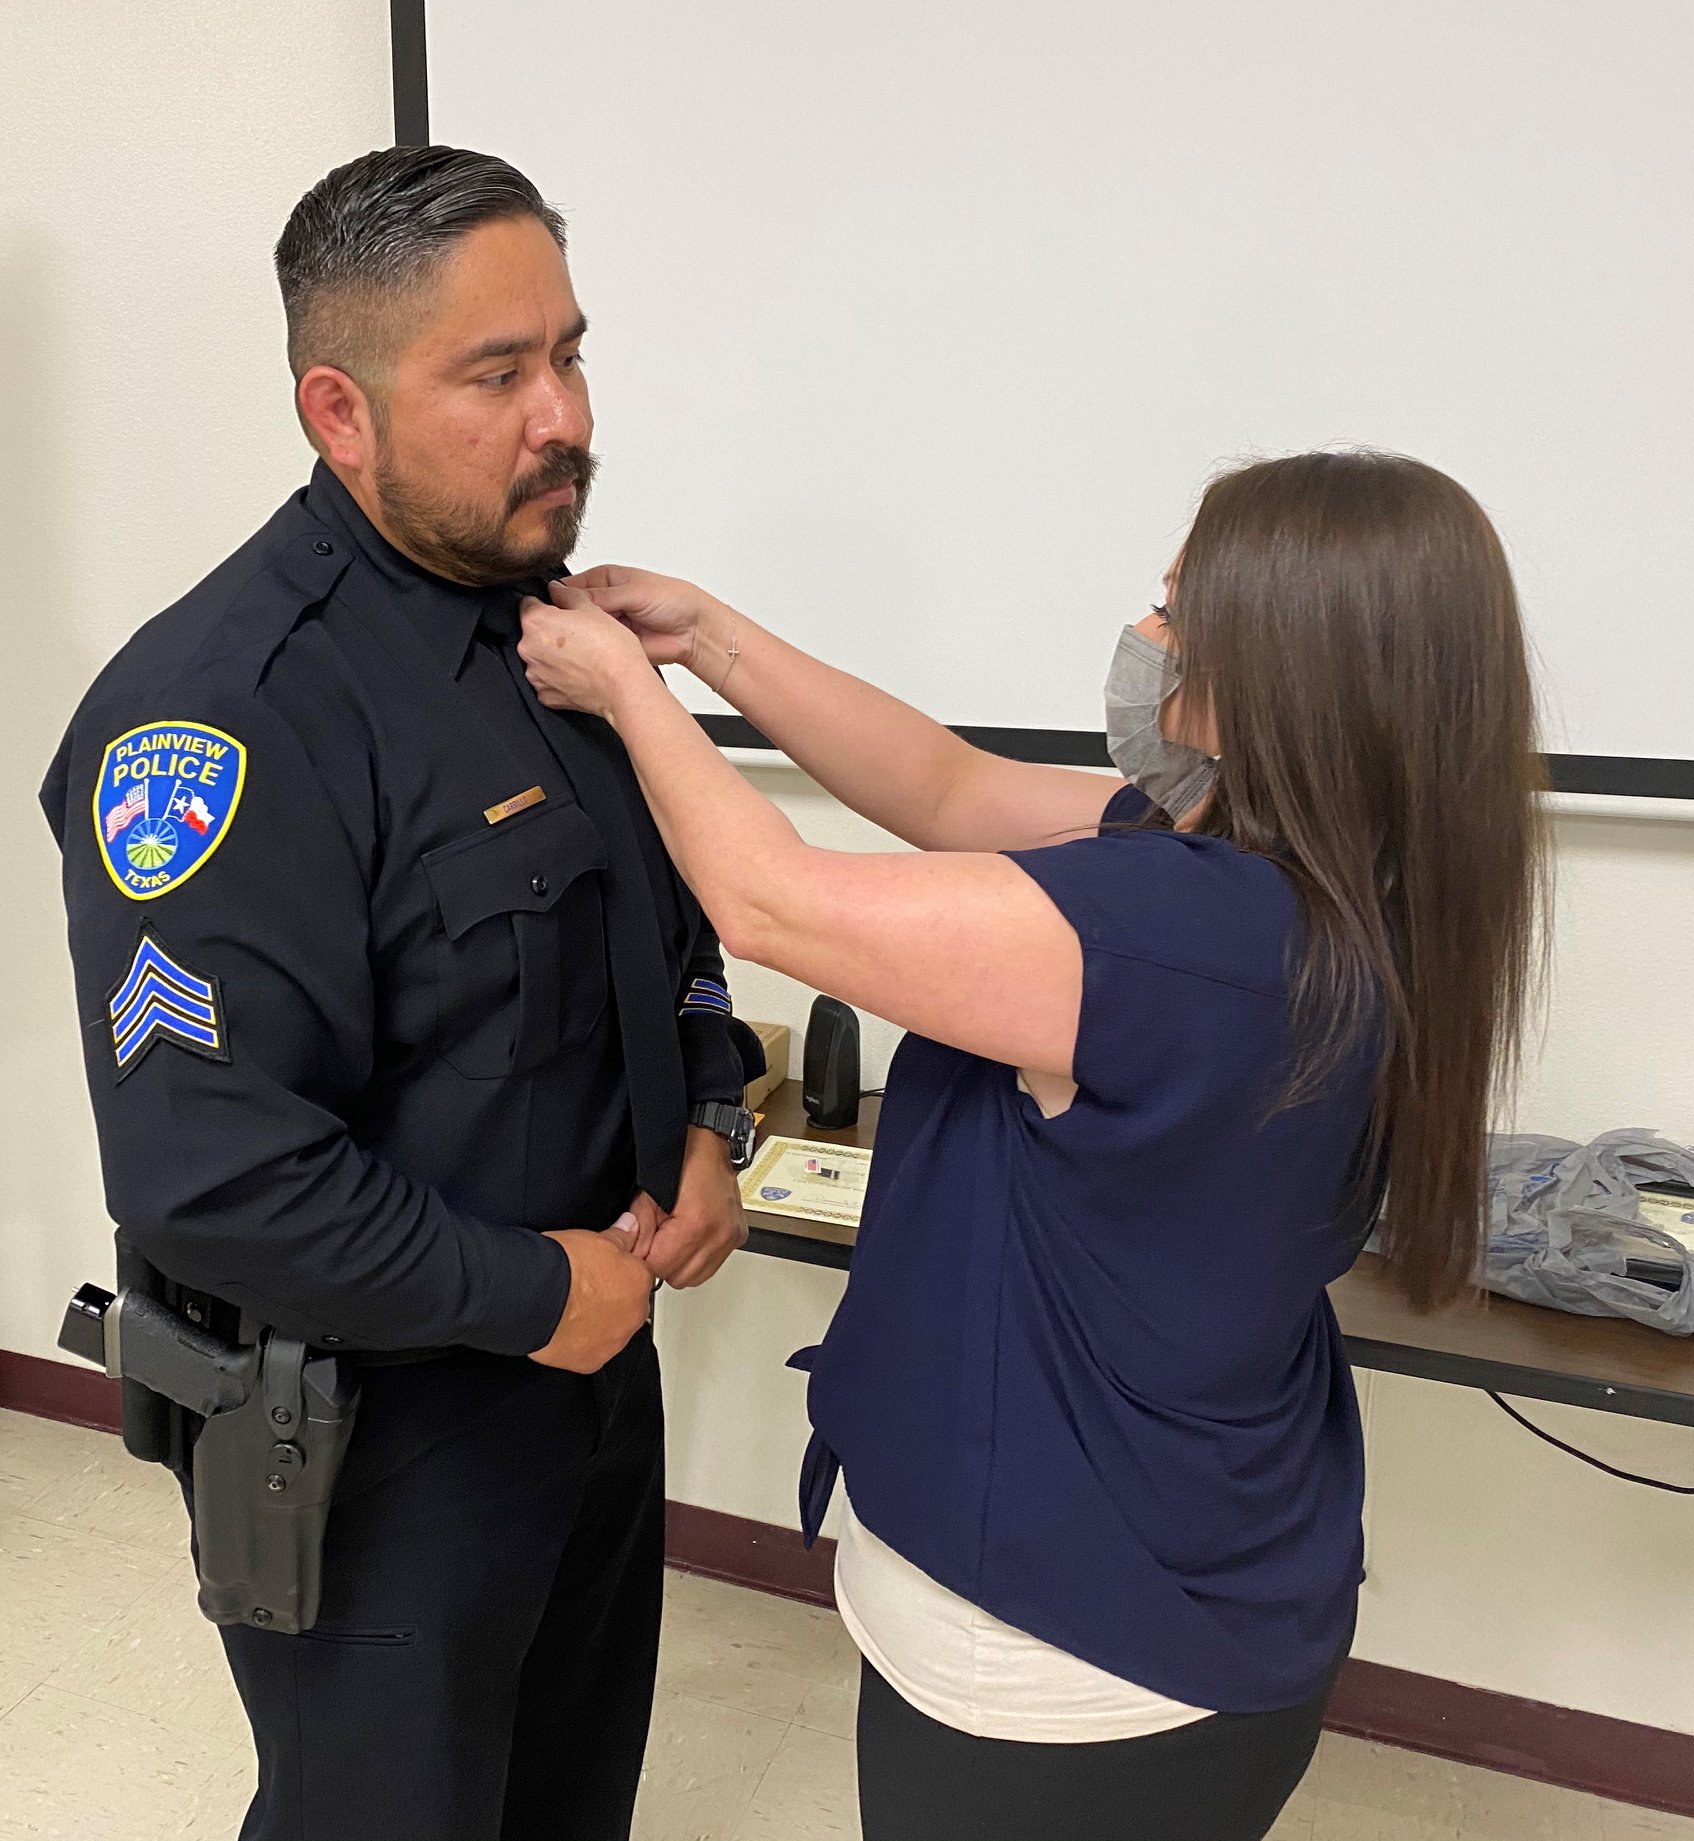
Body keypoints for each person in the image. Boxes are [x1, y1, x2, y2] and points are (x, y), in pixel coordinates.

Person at [516, 449, 1548, 1841]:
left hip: (1065, 1649)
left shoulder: (1180, 937)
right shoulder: (1323, 875)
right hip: (1202, 1574)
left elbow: (770, 904)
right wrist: (705, 637)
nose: (1146, 634)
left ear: (1286, 669)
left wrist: (627, 693)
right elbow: (944, 788)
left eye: (1179, 611)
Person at [40, 145, 762, 1841]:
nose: (560, 416)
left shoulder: (550, 637)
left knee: (566, 1798)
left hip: (592, 1376)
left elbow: (665, 928)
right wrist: (528, 1292)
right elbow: (211, 1175)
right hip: (380, 1435)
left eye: (569, 354)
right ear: (339, 412)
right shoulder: (220, 722)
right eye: (495, 375)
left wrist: (716, 1108)